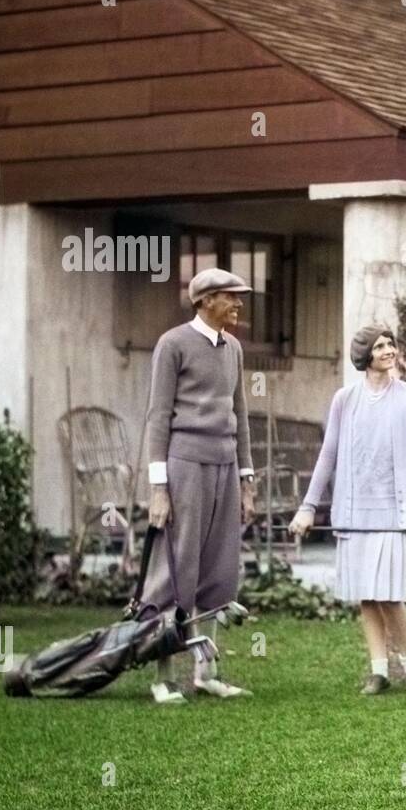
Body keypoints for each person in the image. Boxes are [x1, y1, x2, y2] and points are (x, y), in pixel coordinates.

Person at [289, 324, 406, 696]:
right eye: (380, 346)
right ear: (365, 356)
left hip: (394, 511)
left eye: (390, 344)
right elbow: (328, 455)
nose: (389, 350)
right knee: (368, 594)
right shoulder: (345, 399)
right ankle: (378, 670)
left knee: (391, 594)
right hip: (354, 510)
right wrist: (307, 507)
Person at [143, 268, 256, 704]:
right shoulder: (173, 345)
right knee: (177, 569)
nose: (239, 305)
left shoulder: (234, 349)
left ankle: (206, 673)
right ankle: (163, 675)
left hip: (225, 466)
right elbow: (158, 416)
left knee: (219, 570)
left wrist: (246, 481)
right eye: (231, 297)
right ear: (205, 300)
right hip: (184, 466)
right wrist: (159, 489)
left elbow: (239, 415)